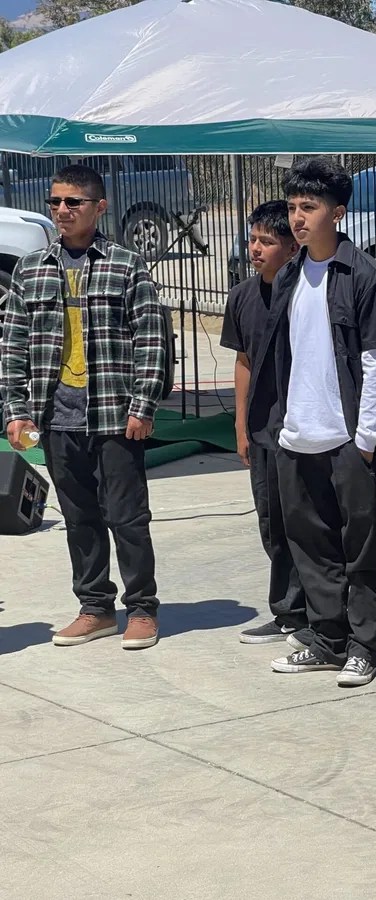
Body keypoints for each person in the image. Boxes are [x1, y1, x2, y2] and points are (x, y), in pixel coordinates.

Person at [1, 163, 169, 650]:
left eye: (73, 201)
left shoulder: (126, 265)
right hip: (57, 418)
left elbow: (151, 339)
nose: (62, 210)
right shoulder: (31, 269)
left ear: (100, 207)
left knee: (127, 518)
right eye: (55, 201)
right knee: (79, 519)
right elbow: (12, 346)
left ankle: (142, 609)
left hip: (114, 415)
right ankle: (96, 608)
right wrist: (16, 411)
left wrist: (143, 405)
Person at [252, 158, 376, 687]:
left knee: (361, 548)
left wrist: (366, 438)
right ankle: (327, 639)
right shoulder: (289, 274)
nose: (297, 218)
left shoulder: (366, 276)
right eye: (293, 207)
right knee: (310, 547)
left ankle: (364, 645)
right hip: (296, 435)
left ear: (337, 213)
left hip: (347, 440)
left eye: (308, 207)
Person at [218, 201, 307, 645]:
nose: (255, 248)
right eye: (252, 239)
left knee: (304, 523)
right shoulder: (242, 297)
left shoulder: (306, 294)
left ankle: (318, 612)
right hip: (261, 430)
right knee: (271, 522)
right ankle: (288, 611)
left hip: (302, 428)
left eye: (267, 241)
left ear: (292, 248)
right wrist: (241, 425)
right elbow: (244, 361)